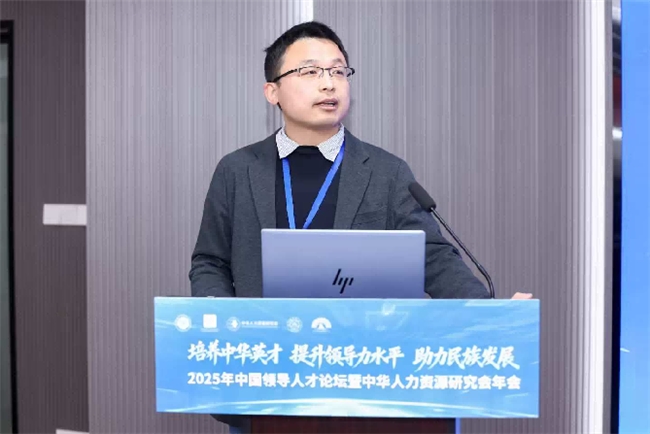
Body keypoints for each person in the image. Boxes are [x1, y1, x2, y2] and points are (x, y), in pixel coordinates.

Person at [189, 20, 531, 433]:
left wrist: (489, 316)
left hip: (361, 379)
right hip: (267, 379)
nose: (328, 83)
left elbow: (432, 257)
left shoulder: (386, 171)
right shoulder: (237, 170)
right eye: (310, 71)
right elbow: (210, 261)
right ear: (272, 91)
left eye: (338, 71)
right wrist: (226, 327)